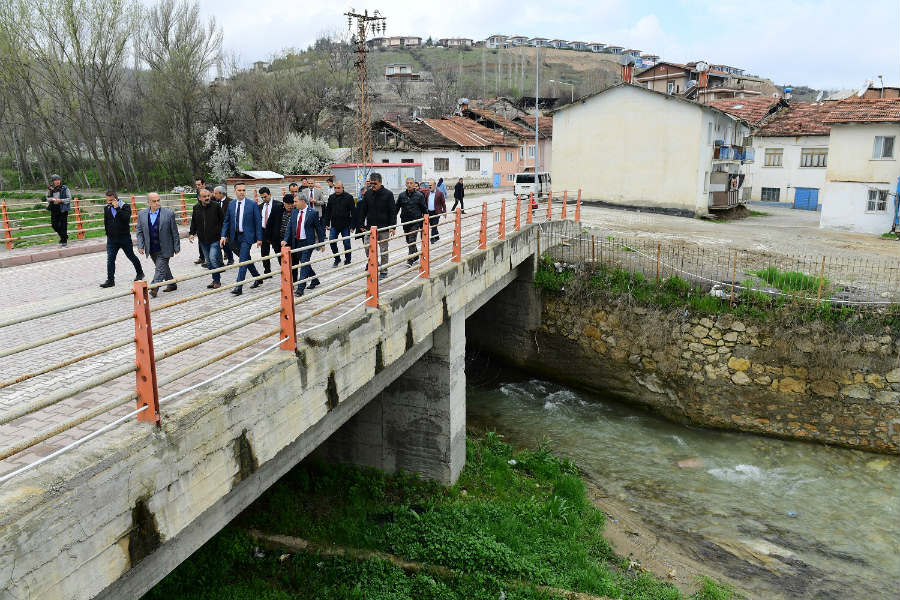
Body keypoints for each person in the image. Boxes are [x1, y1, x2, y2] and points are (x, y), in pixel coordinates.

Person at [220, 182, 264, 296]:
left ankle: (238, 286)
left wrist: (259, 238)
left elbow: (258, 222)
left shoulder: (252, 204)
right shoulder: (231, 204)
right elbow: (226, 221)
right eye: (239, 190)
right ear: (235, 191)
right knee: (246, 258)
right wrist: (223, 236)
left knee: (242, 261)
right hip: (234, 237)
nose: (242, 192)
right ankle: (258, 277)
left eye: (243, 190)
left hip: (247, 237)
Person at [136, 193, 180, 298]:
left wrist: (177, 246)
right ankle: (172, 284)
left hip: (166, 247)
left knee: (159, 269)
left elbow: (174, 231)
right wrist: (141, 246)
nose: (157, 203)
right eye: (154, 201)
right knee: (162, 267)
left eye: (158, 200)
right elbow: (140, 231)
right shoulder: (142, 214)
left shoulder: (168, 213)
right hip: (151, 248)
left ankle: (153, 288)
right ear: (148, 202)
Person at [282, 194, 326, 297]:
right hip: (296, 242)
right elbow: (290, 227)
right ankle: (315, 280)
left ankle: (300, 289)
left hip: (307, 242)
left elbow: (318, 228)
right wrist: (285, 240)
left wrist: (322, 242)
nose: (294, 204)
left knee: (303, 264)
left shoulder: (313, 213)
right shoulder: (294, 212)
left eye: (296, 202)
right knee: (304, 263)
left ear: (303, 201)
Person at [355, 172, 395, 279]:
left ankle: (384, 270)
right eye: (371, 183)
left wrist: (392, 227)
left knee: (383, 250)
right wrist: (361, 224)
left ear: (380, 182)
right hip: (370, 228)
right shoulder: (368, 194)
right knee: (367, 247)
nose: (373, 185)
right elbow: (363, 210)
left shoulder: (388, 194)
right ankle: (376, 264)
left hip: (384, 228)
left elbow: (392, 212)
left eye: (375, 183)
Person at [99, 191, 143, 288]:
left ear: (116, 199)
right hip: (112, 239)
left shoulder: (125, 206)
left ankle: (140, 273)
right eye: (107, 200)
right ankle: (110, 280)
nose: (109, 202)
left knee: (131, 256)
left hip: (124, 237)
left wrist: (117, 208)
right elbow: (106, 222)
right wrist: (108, 233)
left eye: (111, 200)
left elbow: (126, 218)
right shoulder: (106, 208)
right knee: (110, 259)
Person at [189, 188, 225, 289]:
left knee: (213, 259)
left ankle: (217, 281)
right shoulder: (196, 207)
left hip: (215, 239)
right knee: (209, 262)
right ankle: (214, 279)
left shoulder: (216, 206)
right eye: (204, 197)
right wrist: (192, 233)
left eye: (208, 196)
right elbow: (194, 222)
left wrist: (224, 235)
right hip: (203, 240)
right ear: (199, 198)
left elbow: (223, 221)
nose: (207, 198)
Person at [395, 177, 427, 266]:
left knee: (412, 239)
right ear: (405, 184)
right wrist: (392, 222)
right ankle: (416, 255)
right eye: (407, 183)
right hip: (405, 222)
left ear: (414, 185)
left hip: (415, 222)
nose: (409, 185)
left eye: (411, 183)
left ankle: (410, 259)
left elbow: (424, 209)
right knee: (409, 240)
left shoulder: (419, 195)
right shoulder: (401, 196)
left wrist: (425, 223)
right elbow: (396, 209)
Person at [324, 180, 355, 267]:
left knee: (346, 243)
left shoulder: (349, 197)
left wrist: (353, 226)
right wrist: (326, 223)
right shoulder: (331, 197)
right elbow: (328, 211)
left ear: (342, 188)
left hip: (346, 225)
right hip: (334, 224)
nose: (337, 190)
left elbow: (354, 212)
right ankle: (337, 259)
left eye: (338, 188)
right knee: (332, 242)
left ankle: (348, 259)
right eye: (335, 188)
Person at [258, 187, 283, 278]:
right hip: (264, 232)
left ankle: (284, 269)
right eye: (262, 197)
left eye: (265, 197)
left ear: (270, 194)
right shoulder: (260, 206)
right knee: (264, 253)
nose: (264, 199)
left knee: (279, 252)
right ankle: (267, 271)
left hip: (275, 232)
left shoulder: (278, 205)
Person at [45, 174, 72, 246]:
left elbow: (69, 199)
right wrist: (50, 199)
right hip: (54, 208)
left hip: (63, 208)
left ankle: (64, 241)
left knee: (63, 225)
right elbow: (47, 198)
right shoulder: (50, 189)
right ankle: (64, 236)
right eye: (55, 180)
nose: (57, 181)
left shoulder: (65, 188)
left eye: (58, 180)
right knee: (54, 225)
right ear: (53, 181)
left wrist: (61, 200)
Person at [278, 194, 298, 281]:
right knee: (283, 263)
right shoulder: (279, 211)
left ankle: (294, 281)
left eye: (291, 204)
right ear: (284, 203)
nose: (290, 206)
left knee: (294, 263)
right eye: (288, 204)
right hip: (282, 242)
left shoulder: (297, 212)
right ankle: (288, 281)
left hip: (294, 241)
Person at [213, 185, 234, 265]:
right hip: (217, 228)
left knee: (226, 245)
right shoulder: (214, 202)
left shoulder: (231, 202)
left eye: (216, 193)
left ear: (222, 194)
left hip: (227, 228)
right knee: (218, 245)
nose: (214, 195)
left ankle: (230, 259)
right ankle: (219, 261)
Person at [193, 177, 212, 265]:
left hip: (210, 220)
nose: (197, 186)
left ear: (204, 184)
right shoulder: (198, 192)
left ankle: (215, 260)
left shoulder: (209, 192)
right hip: (201, 219)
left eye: (199, 185)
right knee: (201, 239)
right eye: (196, 185)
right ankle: (202, 257)